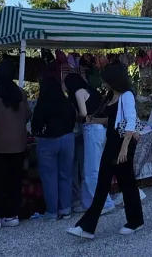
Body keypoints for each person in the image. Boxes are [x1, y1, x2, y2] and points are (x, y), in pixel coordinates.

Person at [67, 63, 143, 240]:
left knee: (127, 184)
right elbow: (112, 120)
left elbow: (130, 122)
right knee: (103, 184)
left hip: (123, 143)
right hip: (112, 142)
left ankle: (135, 221)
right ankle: (87, 227)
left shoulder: (127, 96)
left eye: (106, 80)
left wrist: (124, 148)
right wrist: (93, 120)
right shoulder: (110, 97)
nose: (104, 83)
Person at [0, 61, 32, 230]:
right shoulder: (21, 92)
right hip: (18, 143)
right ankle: (11, 215)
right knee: (14, 181)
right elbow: (27, 114)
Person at [64, 72, 116, 215]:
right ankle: (87, 203)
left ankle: (105, 203)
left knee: (91, 170)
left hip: (91, 129)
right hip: (99, 130)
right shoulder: (90, 91)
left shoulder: (79, 93)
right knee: (89, 169)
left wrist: (75, 120)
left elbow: (83, 112)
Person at [32, 67, 77, 220]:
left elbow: (35, 125)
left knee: (49, 177)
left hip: (48, 141)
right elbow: (73, 118)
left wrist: (38, 133)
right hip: (67, 139)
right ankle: (66, 209)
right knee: (66, 174)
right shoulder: (66, 102)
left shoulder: (42, 103)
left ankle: (52, 211)